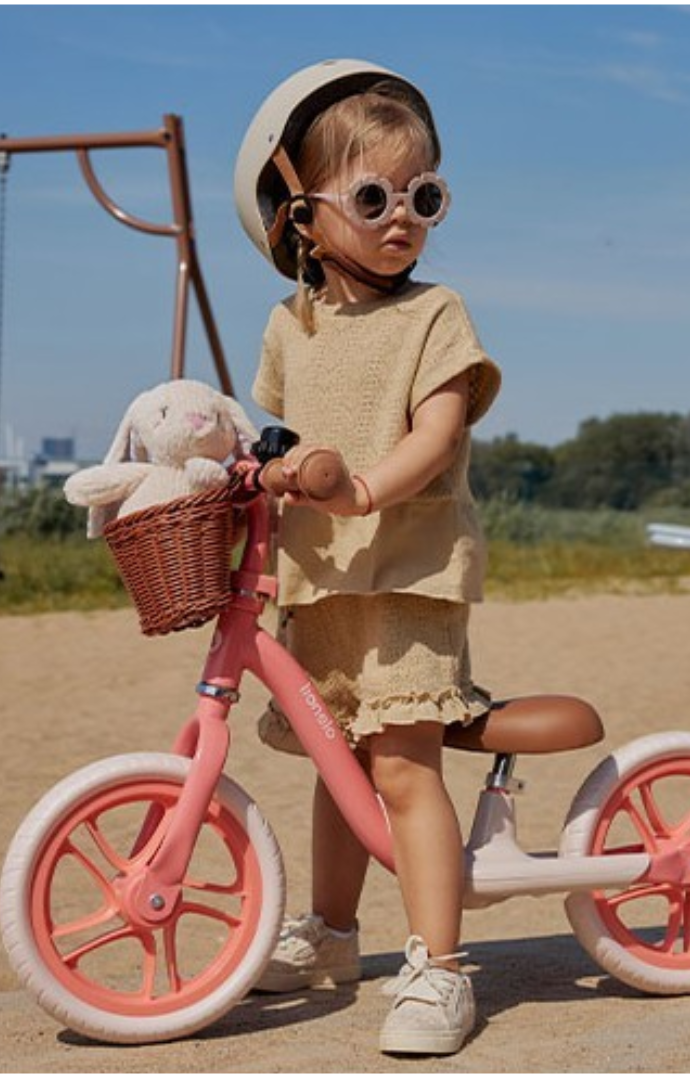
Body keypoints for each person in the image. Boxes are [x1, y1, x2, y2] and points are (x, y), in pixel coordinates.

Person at [234, 59, 501, 1056]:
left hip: (408, 576)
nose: (404, 220)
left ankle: (440, 966)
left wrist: (364, 490)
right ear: (301, 215)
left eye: (423, 197)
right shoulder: (290, 325)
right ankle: (334, 935)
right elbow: (276, 437)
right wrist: (254, 478)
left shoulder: (436, 314)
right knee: (335, 761)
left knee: (401, 767)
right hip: (320, 583)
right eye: (375, 197)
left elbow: (437, 433)